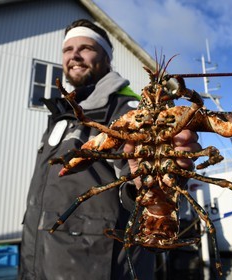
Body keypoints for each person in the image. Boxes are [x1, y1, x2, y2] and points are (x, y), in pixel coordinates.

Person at [19, 19, 200, 280]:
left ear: (106, 57)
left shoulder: (129, 111)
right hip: (37, 268)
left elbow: (137, 179)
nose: (75, 56)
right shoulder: (61, 114)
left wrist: (145, 184)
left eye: (86, 48)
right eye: (68, 50)